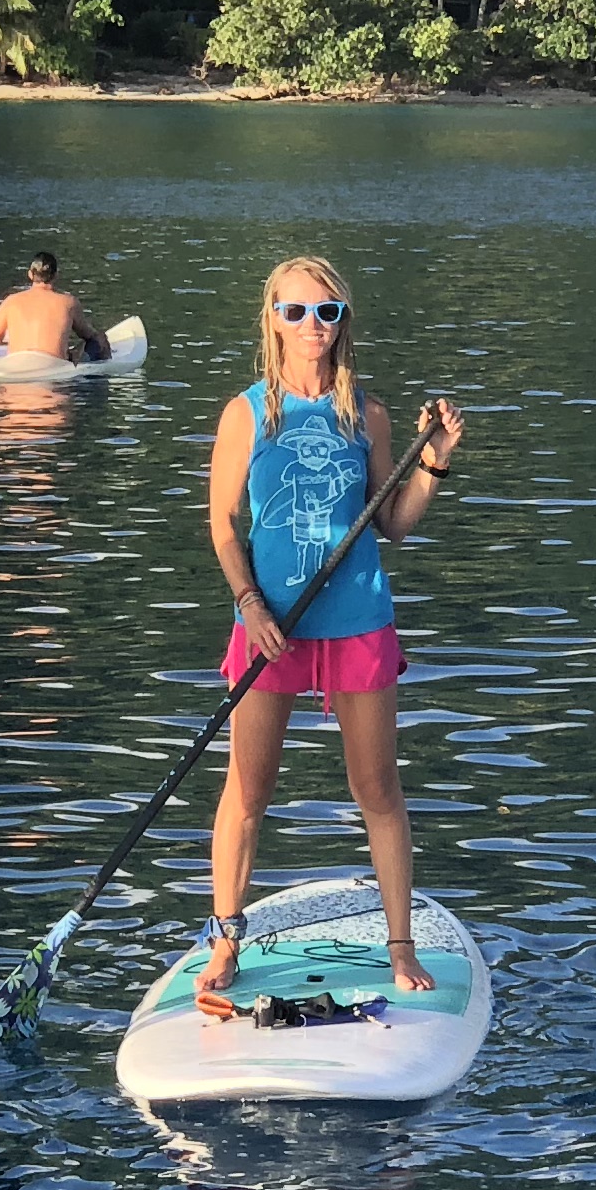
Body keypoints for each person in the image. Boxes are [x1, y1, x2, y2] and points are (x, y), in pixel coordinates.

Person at [198, 255, 464, 1016]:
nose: (311, 326)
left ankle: (401, 945)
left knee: (377, 790)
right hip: (271, 626)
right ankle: (226, 939)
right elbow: (221, 525)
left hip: (356, 622)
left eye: (327, 312)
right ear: (272, 320)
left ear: (343, 321)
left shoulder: (368, 415)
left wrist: (434, 466)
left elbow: (394, 524)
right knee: (249, 791)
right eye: (295, 312)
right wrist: (248, 601)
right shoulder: (248, 412)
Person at [0, 249, 109, 367]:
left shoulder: (11, 301)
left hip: (16, 364)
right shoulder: (68, 302)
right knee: (100, 339)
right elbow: (88, 334)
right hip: (52, 366)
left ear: (30, 274)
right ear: (56, 275)